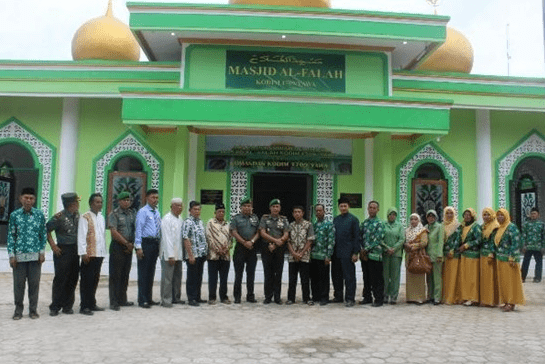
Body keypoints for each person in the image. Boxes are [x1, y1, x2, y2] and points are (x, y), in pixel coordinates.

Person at [8, 187, 46, 320]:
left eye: (31, 198)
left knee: (34, 284)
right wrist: (12, 255)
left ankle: (33, 310)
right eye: (26, 198)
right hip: (19, 257)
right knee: (18, 285)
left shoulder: (39, 215)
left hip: (35, 257)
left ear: (34, 200)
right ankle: (18, 311)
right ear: (20, 198)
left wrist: (42, 252)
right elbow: (11, 236)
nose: (28, 200)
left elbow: (43, 235)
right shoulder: (14, 215)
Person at [47, 192, 80, 316]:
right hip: (63, 250)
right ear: (71, 204)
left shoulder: (77, 216)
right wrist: (53, 246)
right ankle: (55, 306)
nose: (77, 205)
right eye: (76, 203)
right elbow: (47, 230)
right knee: (61, 278)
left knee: (73, 277)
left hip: (75, 250)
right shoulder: (58, 217)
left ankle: (67, 305)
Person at [77, 193, 107, 315]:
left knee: (95, 279)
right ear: (91, 203)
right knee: (86, 281)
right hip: (89, 254)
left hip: (99, 253)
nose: (99, 204)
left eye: (101, 202)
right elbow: (81, 236)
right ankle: (84, 306)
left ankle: (92, 303)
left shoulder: (101, 217)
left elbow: (102, 235)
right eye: (97, 202)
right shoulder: (85, 217)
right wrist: (83, 253)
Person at [108, 191, 136, 311]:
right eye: (124, 200)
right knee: (115, 275)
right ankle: (114, 301)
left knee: (125, 273)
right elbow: (114, 232)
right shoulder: (114, 214)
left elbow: (136, 229)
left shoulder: (132, 213)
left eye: (128, 200)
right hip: (118, 247)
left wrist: (132, 244)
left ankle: (122, 299)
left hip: (129, 246)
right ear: (119, 201)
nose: (126, 202)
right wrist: (126, 243)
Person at [135, 189, 161, 309]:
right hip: (145, 244)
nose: (155, 200)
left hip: (154, 244)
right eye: (152, 197)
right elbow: (139, 229)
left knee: (151, 272)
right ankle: (142, 299)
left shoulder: (156, 212)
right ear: (147, 198)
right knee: (143, 272)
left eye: (156, 197)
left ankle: (149, 298)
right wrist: (138, 247)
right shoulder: (143, 212)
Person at [259, 199, 290, 304]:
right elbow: (262, 233)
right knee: (268, 272)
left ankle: (277, 297)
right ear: (270, 208)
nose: (275, 209)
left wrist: (278, 242)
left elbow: (286, 233)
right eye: (273, 207)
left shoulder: (284, 219)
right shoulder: (264, 218)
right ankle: (268, 296)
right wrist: (274, 241)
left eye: (277, 207)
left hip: (279, 248)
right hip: (267, 247)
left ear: (280, 208)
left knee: (278, 273)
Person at [331, 197, 360, 307]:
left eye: (345, 206)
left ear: (349, 207)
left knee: (349, 277)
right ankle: (338, 296)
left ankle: (350, 298)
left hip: (348, 253)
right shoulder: (336, 220)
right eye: (341, 206)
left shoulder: (353, 220)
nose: (343, 208)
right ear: (338, 207)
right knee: (336, 276)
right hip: (336, 253)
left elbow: (356, 237)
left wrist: (355, 252)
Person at [495, 208, 525, 312]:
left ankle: (511, 303)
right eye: (498, 215)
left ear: (507, 216)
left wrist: (513, 256)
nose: (500, 217)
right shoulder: (500, 228)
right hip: (501, 259)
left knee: (510, 282)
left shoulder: (511, 227)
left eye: (502, 215)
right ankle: (506, 301)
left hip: (509, 260)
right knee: (504, 282)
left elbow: (516, 243)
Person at [230, 197, 259, 304]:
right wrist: (244, 242)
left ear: (251, 207)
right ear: (241, 207)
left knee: (251, 274)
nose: (247, 208)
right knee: (239, 274)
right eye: (245, 206)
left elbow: (259, 232)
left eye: (249, 206)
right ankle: (237, 296)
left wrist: (251, 241)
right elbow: (234, 231)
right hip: (240, 248)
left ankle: (250, 296)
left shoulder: (255, 218)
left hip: (252, 248)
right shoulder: (236, 218)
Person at [286, 205, 315, 305]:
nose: (297, 214)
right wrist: (294, 253)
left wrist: (301, 253)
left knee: (305, 278)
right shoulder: (290, 225)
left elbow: (310, 240)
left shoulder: (308, 225)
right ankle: (291, 298)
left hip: (305, 256)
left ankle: (306, 298)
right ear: (293, 214)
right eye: (295, 212)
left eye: (299, 212)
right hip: (292, 256)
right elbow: (288, 241)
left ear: (302, 213)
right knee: (292, 279)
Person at [159, 198, 184, 308]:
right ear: (172, 206)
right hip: (169, 254)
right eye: (177, 206)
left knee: (177, 278)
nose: (180, 208)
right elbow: (167, 239)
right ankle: (166, 300)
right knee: (167, 279)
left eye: (181, 206)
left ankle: (176, 298)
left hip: (178, 253)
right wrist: (170, 255)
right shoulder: (166, 219)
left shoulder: (180, 219)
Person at [360, 201, 386, 307]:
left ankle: (379, 299)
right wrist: (361, 250)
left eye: (374, 208)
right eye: (370, 207)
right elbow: (360, 236)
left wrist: (366, 249)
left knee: (377, 278)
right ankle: (367, 297)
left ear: (378, 209)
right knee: (366, 277)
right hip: (365, 256)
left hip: (375, 255)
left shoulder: (380, 223)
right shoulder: (365, 223)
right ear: (368, 209)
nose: (372, 209)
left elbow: (378, 239)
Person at [206, 202, 232, 304]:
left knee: (224, 278)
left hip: (225, 256)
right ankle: (212, 297)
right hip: (213, 256)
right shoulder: (210, 223)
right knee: (213, 278)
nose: (221, 213)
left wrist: (226, 249)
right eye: (219, 211)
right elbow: (209, 238)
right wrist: (217, 250)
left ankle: (224, 297)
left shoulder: (228, 224)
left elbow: (231, 239)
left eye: (223, 212)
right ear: (215, 212)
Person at [183, 201, 208, 306]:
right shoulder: (188, 222)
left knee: (199, 277)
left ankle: (197, 297)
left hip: (201, 254)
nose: (197, 211)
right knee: (192, 277)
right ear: (190, 211)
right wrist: (190, 255)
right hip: (193, 255)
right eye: (195, 209)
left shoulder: (200, 222)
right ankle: (191, 298)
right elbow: (185, 239)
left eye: (198, 209)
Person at [310, 204, 335, 306]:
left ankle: (324, 297)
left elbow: (331, 241)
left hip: (323, 256)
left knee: (324, 278)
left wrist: (328, 255)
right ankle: (316, 296)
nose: (318, 212)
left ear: (324, 212)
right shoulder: (313, 225)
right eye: (317, 211)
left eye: (320, 211)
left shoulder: (329, 225)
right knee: (314, 278)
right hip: (314, 255)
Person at [457, 208, 482, 306]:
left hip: (473, 256)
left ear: (472, 216)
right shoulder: (462, 226)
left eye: (469, 215)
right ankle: (465, 297)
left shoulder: (476, 227)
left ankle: (473, 298)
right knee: (465, 277)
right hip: (464, 255)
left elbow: (479, 240)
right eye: (465, 215)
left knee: (472, 278)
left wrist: (467, 245)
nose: (467, 217)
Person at [382, 207, 404, 305]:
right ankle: (385, 295)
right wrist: (387, 248)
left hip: (396, 254)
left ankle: (394, 296)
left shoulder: (399, 226)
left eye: (394, 214)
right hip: (385, 254)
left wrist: (393, 249)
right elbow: (380, 237)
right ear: (387, 215)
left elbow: (402, 239)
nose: (392, 216)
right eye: (391, 214)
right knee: (385, 275)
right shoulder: (383, 225)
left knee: (395, 276)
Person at [404, 213, 428, 304]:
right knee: (410, 276)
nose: (413, 221)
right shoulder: (407, 230)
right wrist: (406, 245)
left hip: (418, 256)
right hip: (409, 256)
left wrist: (412, 246)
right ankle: (410, 298)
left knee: (419, 275)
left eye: (415, 219)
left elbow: (424, 243)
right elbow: (404, 242)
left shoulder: (422, 231)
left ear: (419, 221)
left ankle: (419, 298)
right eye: (412, 219)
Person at [480, 207, 500, 307]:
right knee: (484, 278)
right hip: (482, 255)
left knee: (491, 278)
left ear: (492, 215)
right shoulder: (483, 226)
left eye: (488, 214)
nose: (486, 217)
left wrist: (491, 253)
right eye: (484, 215)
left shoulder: (495, 226)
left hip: (490, 255)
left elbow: (494, 242)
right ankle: (485, 300)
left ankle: (492, 300)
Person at [442, 206, 461, 305]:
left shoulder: (457, 225)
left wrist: (452, 251)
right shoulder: (442, 225)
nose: (449, 215)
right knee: (445, 276)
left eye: (451, 213)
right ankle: (444, 297)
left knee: (453, 276)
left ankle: (453, 297)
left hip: (453, 254)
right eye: (447, 213)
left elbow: (458, 239)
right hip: (444, 254)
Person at [521, 207, 545, 283]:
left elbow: (543, 236)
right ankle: (522, 277)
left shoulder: (541, 224)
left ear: (538, 215)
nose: (533, 215)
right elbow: (523, 235)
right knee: (525, 262)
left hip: (538, 247)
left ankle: (537, 278)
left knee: (539, 262)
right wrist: (523, 245)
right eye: (532, 214)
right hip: (528, 247)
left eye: (534, 214)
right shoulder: (526, 224)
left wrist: (543, 247)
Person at [425, 210, 444, 305]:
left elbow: (441, 241)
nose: (431, 218)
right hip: (427, 256)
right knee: (429, 278)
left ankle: (437, 297)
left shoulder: (439, 226)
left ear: (435, 217)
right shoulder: (425, 227)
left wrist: (440, 254)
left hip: (436, 256)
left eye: (432, 216)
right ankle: (430, 296)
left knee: (437, 277)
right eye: (429, 217)